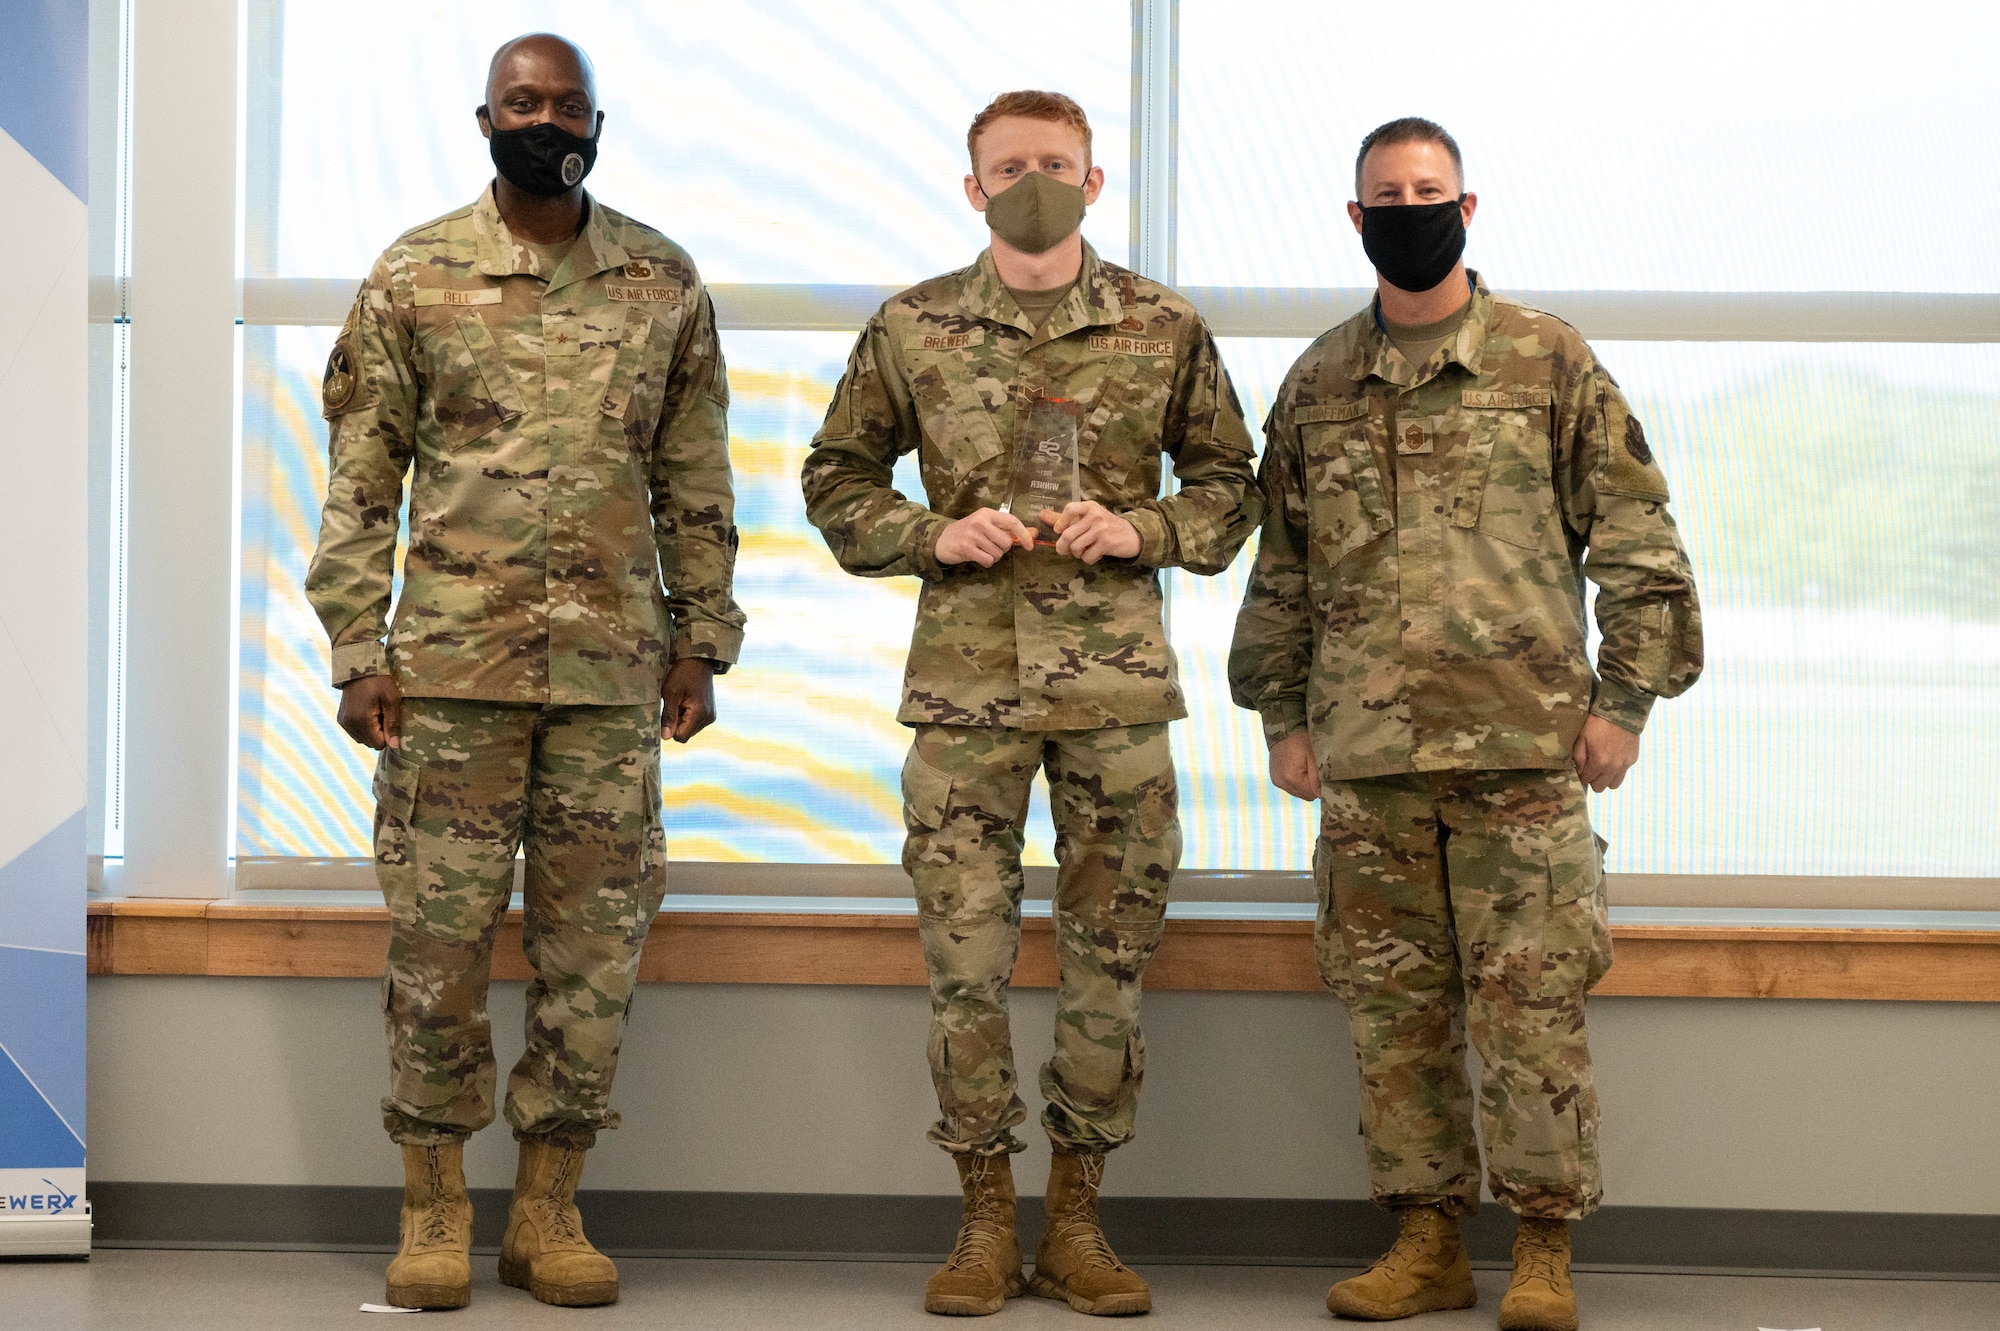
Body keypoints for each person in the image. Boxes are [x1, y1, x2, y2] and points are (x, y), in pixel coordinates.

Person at [1228, 117, 1702, 1330]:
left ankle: (1540, 1248)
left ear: (1466, 204)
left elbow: (1637, 541)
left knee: (1529, 1006)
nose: (1406, 206)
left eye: (1425, 189)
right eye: (1384, 193)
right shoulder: (1319, 380)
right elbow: (1280, 567)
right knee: (1392, 1014)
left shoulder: (1545, 359)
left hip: (1523, 753)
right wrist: (1282, 715)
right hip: (1368, 759)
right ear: (1353, 218)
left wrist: (1625, 702)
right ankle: (1425, 1237)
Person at [802, 89, 1260, 1318]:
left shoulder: (1161, 326)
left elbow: (1232, 480)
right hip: (964, 694)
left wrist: (1147, 526)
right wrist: (929, 532)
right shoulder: (912, 325)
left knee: (1108, 962)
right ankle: (979, 1218)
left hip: (1113, 697)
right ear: (973, 189)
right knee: (966, 964)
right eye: (1009, 167)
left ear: (1094, 181)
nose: (1033, 182)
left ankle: (1076, 1221)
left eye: (1055, 163)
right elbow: (833, 475)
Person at [304, 33, 744, 1311]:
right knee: (436, 946)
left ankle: (548, 1206)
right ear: (481, 116)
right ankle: (434, 1204)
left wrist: (700, 639)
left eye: (564, 104)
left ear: (598, 123)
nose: (541, 119)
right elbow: (359, 481)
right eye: (519, 101)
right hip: (446, 676)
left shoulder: (660, 279)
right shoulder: (416, 273)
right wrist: (353, 646)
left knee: (593, 953)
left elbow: (695, 476)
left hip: (611, 677)